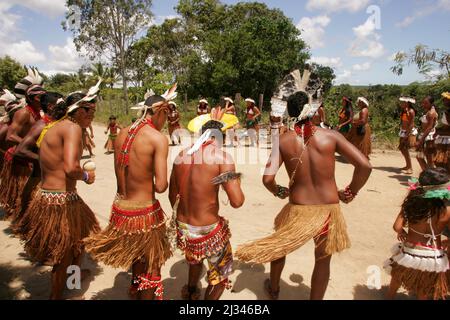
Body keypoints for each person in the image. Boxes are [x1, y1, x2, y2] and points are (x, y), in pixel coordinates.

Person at [235, 90, 372, 300]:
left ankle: (273, 290)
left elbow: (267, 180)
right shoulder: (331, 136)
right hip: (328, 210)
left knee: (279, 247)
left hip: (297, 208)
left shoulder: (284, 140)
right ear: (313, 110)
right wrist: (350, 191)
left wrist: (280, 191)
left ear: (290, 113)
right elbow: (364, 165)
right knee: (323, 259)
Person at [84, 86, 177, 300]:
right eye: (167, 113)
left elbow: (121, 179)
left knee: (137, 254)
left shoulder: (122, 134)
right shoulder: (157, 139)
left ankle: (135, 290)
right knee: (153, 263)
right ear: (160, 111)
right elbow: (162, 186)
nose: (167, 119)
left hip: (121, 209)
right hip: (144, 212)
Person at [18, 82, 101, 300]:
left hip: (51, 196)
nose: (93, 114)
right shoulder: (72, 128)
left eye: (94, 110)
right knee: (63, 252)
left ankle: (72, 280)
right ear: (78, 110)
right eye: (90, 110)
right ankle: (56, 295)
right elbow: (71, 168)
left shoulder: (53, 126)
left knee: (77, 244)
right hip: (61, 200)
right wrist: (86, 176)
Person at [169, 106, 245, 300]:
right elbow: (237, 201)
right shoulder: (222, 158)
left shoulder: (181, 155)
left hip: (184, 228)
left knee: (194, 260)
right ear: (221, 137)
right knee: (221, 276)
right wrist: (235, 180)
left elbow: (172, 197)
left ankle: (191, 291)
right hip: (208, 230)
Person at [385, 168, 450, 300]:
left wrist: (402, 232)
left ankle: (390, 296)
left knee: (398, 275)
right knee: (424, 285)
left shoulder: (411, 204)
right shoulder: (447, 210)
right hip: (433, 255)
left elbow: (397, 226)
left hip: (410, 250)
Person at [10, 92, 65, 228]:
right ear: (51, 107)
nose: (65, 108)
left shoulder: (56, 124)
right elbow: (20, 151)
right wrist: (46, 160)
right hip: (39, 182)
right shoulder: (41, 125)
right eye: (62, 105)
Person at [0, 70, 46, 219]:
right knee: (20, 190)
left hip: (27, 155)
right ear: (32, 98)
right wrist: (29, 144)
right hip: (18, 157)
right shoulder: (23, 113)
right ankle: (19, 215)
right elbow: (10, 136)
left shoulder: (38, 113)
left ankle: (24, 214)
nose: (43, 100)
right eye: (41, 97)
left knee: (29, 189)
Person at [416, 96, 438, 171]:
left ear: (431, 103)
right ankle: (427, 174)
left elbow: (429, 127)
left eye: (426, 103)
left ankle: (430, 176)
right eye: (423, 102)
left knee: (429, 159)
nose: (423, 104)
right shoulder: (427, 111)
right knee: (420, 156)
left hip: (428, 137)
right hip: (424, 136)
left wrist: (421, 140)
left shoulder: (431, 113)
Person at [398, 97, 417, 175]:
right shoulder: (405, 111)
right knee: (402, 149)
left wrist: (407, 135)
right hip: (403, 131)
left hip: (407, 132)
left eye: (403, 102)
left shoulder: (411, 111)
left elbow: (411, 123)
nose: (401, 104)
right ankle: (408, 165)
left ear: (407, 103)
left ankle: (410, 168)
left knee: (405, 149)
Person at [434, 92, 450, 173]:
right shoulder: (447, 112)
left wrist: (440, 132)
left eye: (446, 99)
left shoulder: (448, 113)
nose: (443, 101)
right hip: (444, 139)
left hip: (447, 140)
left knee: (445, 162)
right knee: (440, 162)